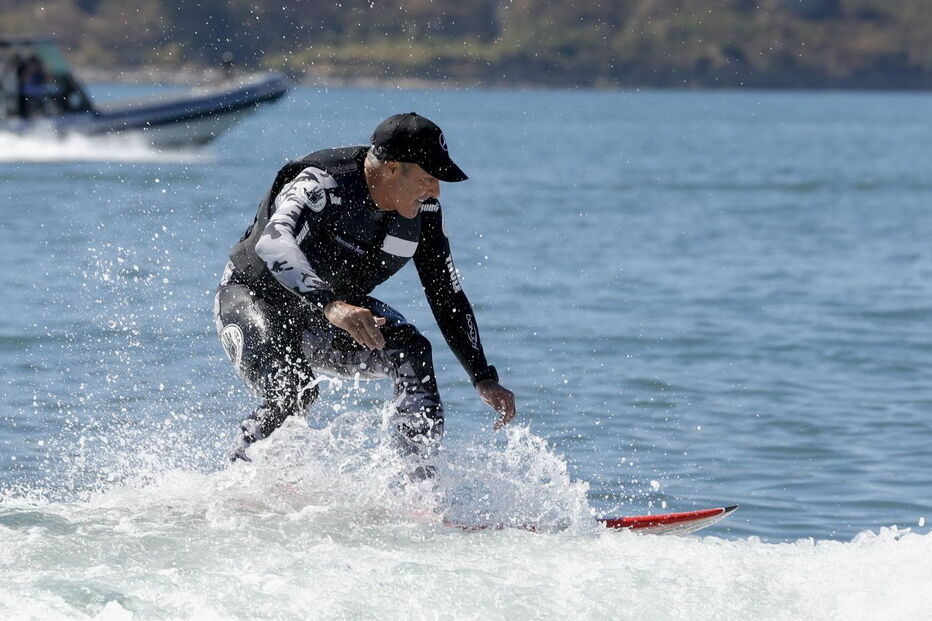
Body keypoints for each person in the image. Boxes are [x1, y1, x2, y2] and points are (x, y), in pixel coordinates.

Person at [214, 112, 517, 468]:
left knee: (411, 352)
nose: (435, 191)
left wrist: (482, 377)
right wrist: (330, 305)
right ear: (392, 168)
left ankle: (418, 485)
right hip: (254, 299)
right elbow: (273, 243)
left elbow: (446, 295)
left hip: (328, 313)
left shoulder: (425, 212)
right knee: (292, 392)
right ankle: (236, 477)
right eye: (428, 178)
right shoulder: (322, 182)